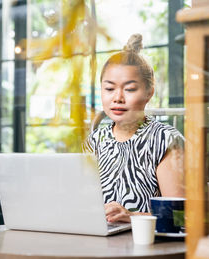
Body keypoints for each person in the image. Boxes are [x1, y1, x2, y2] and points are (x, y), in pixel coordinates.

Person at [83, 34, 184, 223]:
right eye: (109, 88)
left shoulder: (165, 140)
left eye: (129, 89)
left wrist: (131, 217)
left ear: (149, 92)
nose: (118, 98)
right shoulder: (95, 141)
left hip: (147, 241)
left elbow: (179, 216)